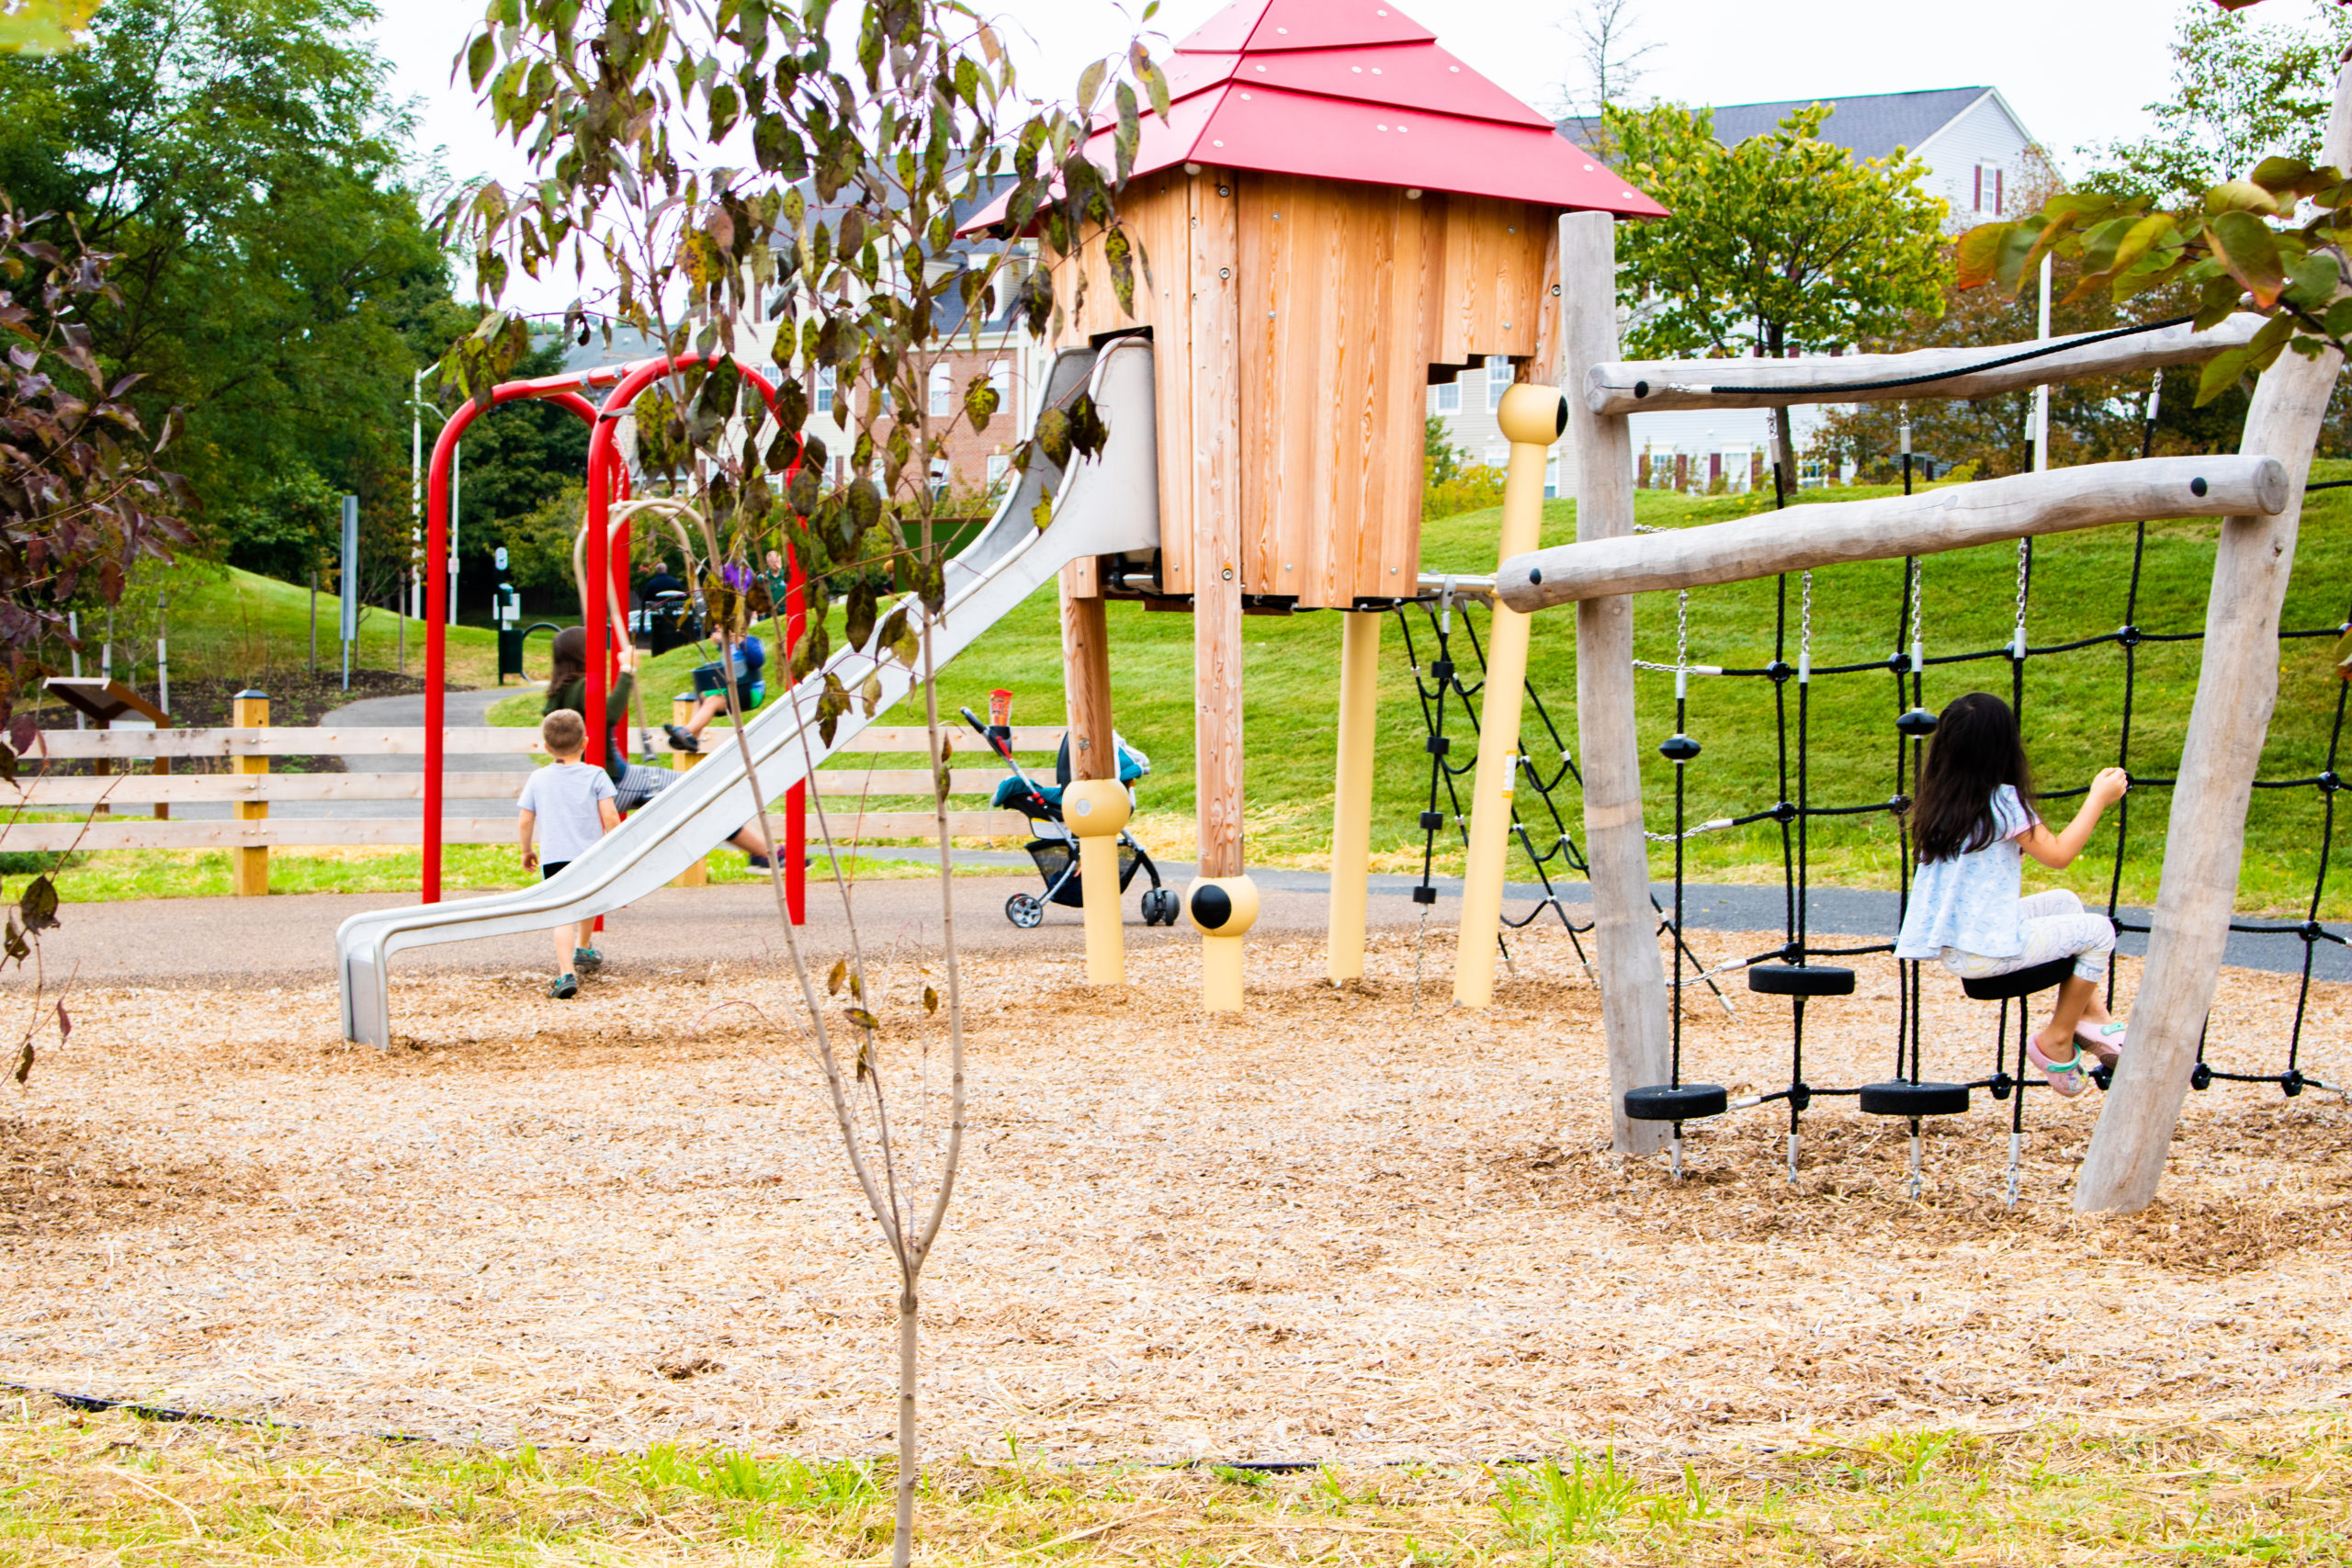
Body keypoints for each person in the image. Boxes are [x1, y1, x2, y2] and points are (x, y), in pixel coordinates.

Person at [1895, 692, 2131, 1096]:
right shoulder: (2003, 802)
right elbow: (2059, 855)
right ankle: (2056, 1036)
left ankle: (2093, 1018)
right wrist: (2098, 799)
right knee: (2099, 931)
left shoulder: (1938, 802)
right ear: (2004, 746)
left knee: (2064, 903)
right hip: (1990, 952)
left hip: (1960, 946)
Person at [544, 626, 775, 867]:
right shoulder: (583, 687)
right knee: (700, 791)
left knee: (696, 796)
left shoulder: (557, 693)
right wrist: (627, 671)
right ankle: (764, 853)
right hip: (614, 781)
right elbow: (610, 714)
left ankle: (762, 852)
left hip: (593, 779)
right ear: (584, 653)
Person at [516, 707, 621, 998]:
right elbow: (611, 817)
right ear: (585, 743)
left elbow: (526, 819)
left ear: (547, 748)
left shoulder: (538, 778)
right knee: (586, 902)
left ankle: (566, 975)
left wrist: (526, 850)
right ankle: (583, 948)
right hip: (590, 855)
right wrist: (614, 847)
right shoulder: (596, 775)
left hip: (554, 857)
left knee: (562, 914)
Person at [663, 630, 767, 754]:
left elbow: (758, 660)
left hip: (750, 692)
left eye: (718, 630)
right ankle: (692, 739)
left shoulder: (750, 641)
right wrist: (722, 641)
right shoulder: (730, 646)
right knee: (702, 697)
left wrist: (741, 641)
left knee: (712, 700)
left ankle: (685, 732)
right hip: (736, 689)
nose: (714, 634)